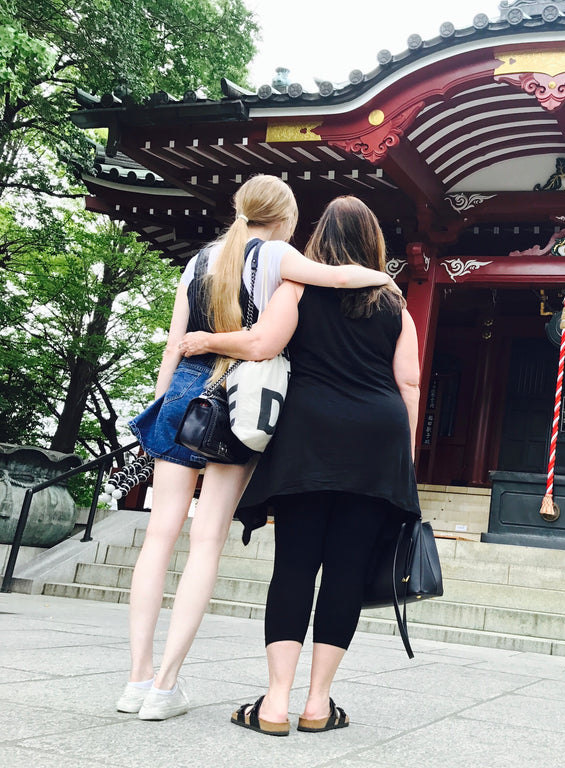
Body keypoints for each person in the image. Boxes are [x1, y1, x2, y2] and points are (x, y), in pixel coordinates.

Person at [120, 176, 399, 721]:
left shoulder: (199, 260)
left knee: (157, 539)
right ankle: (165, 686)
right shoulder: (274, 255)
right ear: (288, 218)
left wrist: (163, 408)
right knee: (206, 543)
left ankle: (136, 678)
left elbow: (172, 346)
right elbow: (341, 276)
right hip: (235, 402)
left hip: (182, 398)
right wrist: (382, 275)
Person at [178, 195, 420, 737]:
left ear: (319, 242)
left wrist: (207, 340)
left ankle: (275, 704)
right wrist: (403, 460)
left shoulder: (299, 287)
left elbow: (263, 345)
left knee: (294, 566)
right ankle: (318, 703)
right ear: (373, 245)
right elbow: (409, 384)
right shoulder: (395, 303)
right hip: (376, 442)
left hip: (308, 437)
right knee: (346, 573)